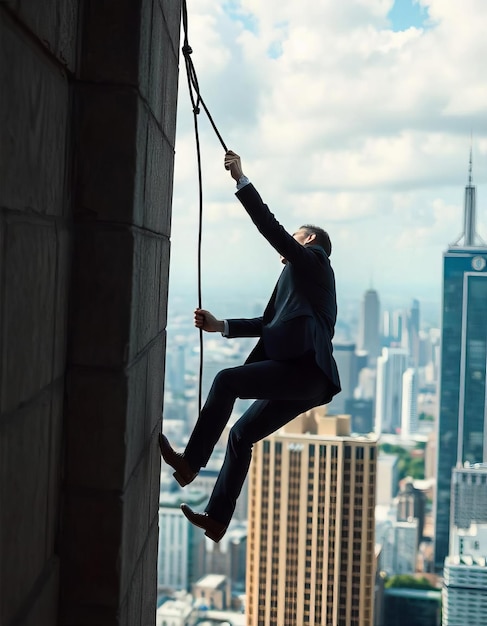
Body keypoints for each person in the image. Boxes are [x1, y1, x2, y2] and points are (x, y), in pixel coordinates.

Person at [159, 150, 341, 542]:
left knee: (227, 381)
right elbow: (267, 324)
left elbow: (271, 229)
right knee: (242, 434)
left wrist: (241, 179)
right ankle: (218, 518)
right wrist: (220, 325)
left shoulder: (313, 261)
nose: (285, 249)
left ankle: (191, 463)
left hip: (305, 371)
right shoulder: (301, 285)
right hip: (308, 378)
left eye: (295, 240)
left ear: (308, 240)